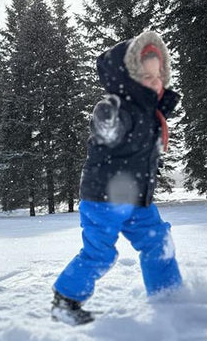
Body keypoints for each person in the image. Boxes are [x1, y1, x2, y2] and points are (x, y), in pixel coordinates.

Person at [51, 31, 182, 325]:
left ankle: (170, 300)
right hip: (103, 200)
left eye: (157, 76)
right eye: (145, 76)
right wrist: (107, 122)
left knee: (158, 241)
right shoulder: (116, 107)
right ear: (129, 78)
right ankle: (65, 300)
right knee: (100, 253)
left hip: (137, 200)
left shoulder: (151, 113)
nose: (153, 82)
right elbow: (107, 125)